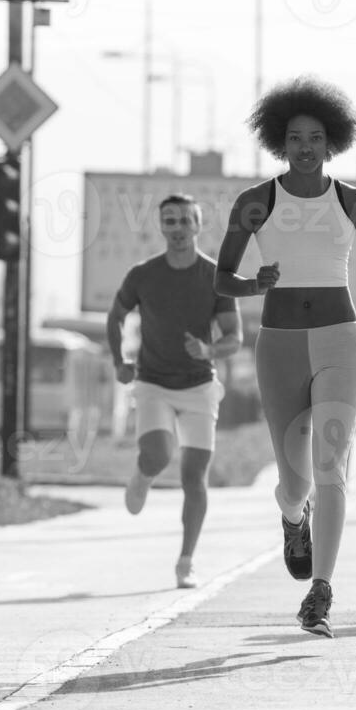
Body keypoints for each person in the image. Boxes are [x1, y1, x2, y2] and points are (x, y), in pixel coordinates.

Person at [216, 75, 356, 638]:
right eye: (295, 137)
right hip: (278, 347)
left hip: (339, 342)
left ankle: (320, 592)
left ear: (332, 143)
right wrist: (255, 284)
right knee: (296, 481)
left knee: (331, 467)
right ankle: (291, 516)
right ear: (280, 142)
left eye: (316, 137)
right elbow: (222, 278)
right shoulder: (256, 202)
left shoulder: (353, 201)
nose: (305, 146)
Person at [107, 193, 242, 590]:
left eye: (185, 220)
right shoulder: (143, 274)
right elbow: (115, 317)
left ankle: (186, 561)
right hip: (152, 382)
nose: (178, 228)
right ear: (161, 227)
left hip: (199, 385)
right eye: (170, 221)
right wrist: (119, 360)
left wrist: (209, 350)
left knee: (193, 476)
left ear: (198, 226)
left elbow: (235, 337)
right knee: (159, 453)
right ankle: (143, 474)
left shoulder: (216, 276)